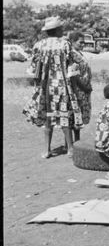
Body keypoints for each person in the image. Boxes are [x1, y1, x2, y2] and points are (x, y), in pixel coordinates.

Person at [23, 16, 83, 159]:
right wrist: (75, 87)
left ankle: (47, 150)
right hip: (63, 86)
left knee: (48, 119)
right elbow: (72, 66)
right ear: (56, 30)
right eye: (61, 28)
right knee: (64, 117)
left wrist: (38, 85)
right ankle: (70, 149)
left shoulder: (38, 45)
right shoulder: (65, 44)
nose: (62, 30)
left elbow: (33, 69)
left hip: (46, 87)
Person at [67, 31, 93, 143]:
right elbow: (73, 75)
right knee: (74, 117)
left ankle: (76, 142)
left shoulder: (79, 54)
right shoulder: (72, 55)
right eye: (80, 42)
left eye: (84, 42)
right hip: (77, 90)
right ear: (72, 42)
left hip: (83, 90)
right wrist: (84, 87)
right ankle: (71, 144)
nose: (83, 44)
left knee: (78, 118)